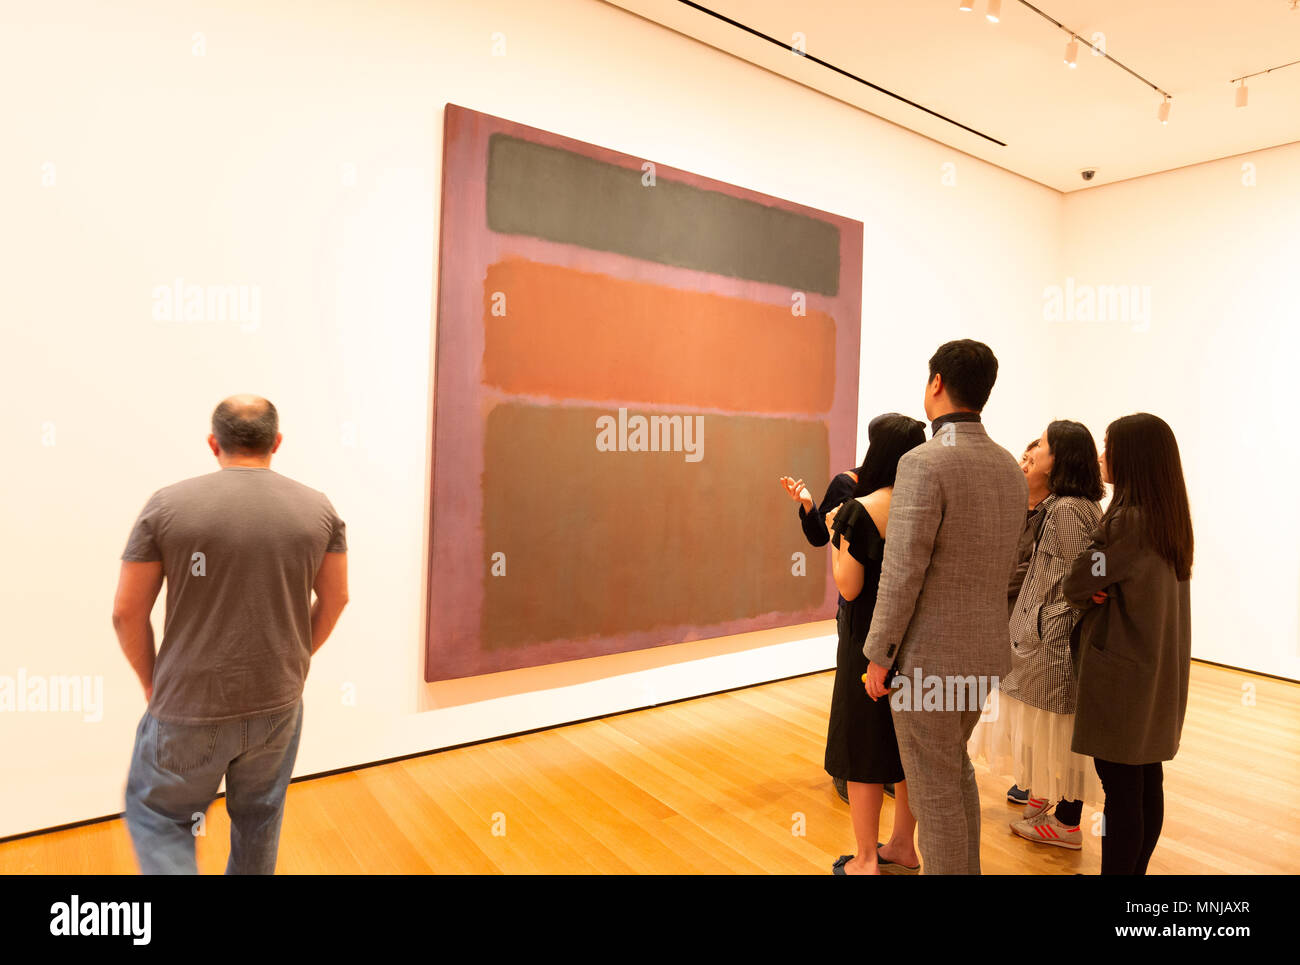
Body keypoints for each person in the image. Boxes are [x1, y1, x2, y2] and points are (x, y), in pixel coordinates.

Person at [113, 395, 349, 874]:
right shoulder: (318, 509)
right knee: (259, 818)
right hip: (278, 702)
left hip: (188, 702)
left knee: (160, 817)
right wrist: (295, 659)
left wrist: (152, 683)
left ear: (212, 443)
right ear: (276, 442)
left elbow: (125, 613)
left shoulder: (168, 505)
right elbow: (337, 598)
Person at [861, 340, 1027, 875]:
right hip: (982, 657)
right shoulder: (1008, 467)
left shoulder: (923, 462)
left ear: (936, 384)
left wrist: (879, 654)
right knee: (953, 775)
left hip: (927, 661)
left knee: (933, 793)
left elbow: (903, 571)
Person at [1063, 413, 1193, 875]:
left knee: (1121, 790)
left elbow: (1078, 581)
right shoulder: (1168, 517)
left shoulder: (1126, 524)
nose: (1101, 455)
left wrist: (1092, 586)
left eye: (1109, 446)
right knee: (1144, 780)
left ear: (1131, 459)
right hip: (1156, 670)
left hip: (1122, 676)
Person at [970, 420, 1106, 849]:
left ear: (1058, 460)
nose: (1033, 452)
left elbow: (1080, 579)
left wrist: (1048, 619)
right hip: (1047, 636)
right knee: (1056, 728)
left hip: (1053, 641)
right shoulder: (1069, 505)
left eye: (1042, 446)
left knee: (1059, 729)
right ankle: (1055, 806)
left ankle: (1066, 822)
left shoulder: (1067, 509)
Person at [824, 414, 927, 875]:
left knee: (863, 746)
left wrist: (834, 536)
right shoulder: (925, 505)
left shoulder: (861, 510)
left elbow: (848, 586)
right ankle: (904, 847)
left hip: (868, 642)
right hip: (917, 639)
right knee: (906, 747)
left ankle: (866, 859)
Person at [1005, 438, 1052, 807]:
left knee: (1033, 702)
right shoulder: (1011, 508)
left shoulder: (1053, 515)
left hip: (1031, 621)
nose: (1022, 465)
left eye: (1030, 460)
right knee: (1015, 702)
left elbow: (1028, 572)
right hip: (1004, 615)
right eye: (1022, 458)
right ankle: (1027, 773)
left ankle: (1038, 780)